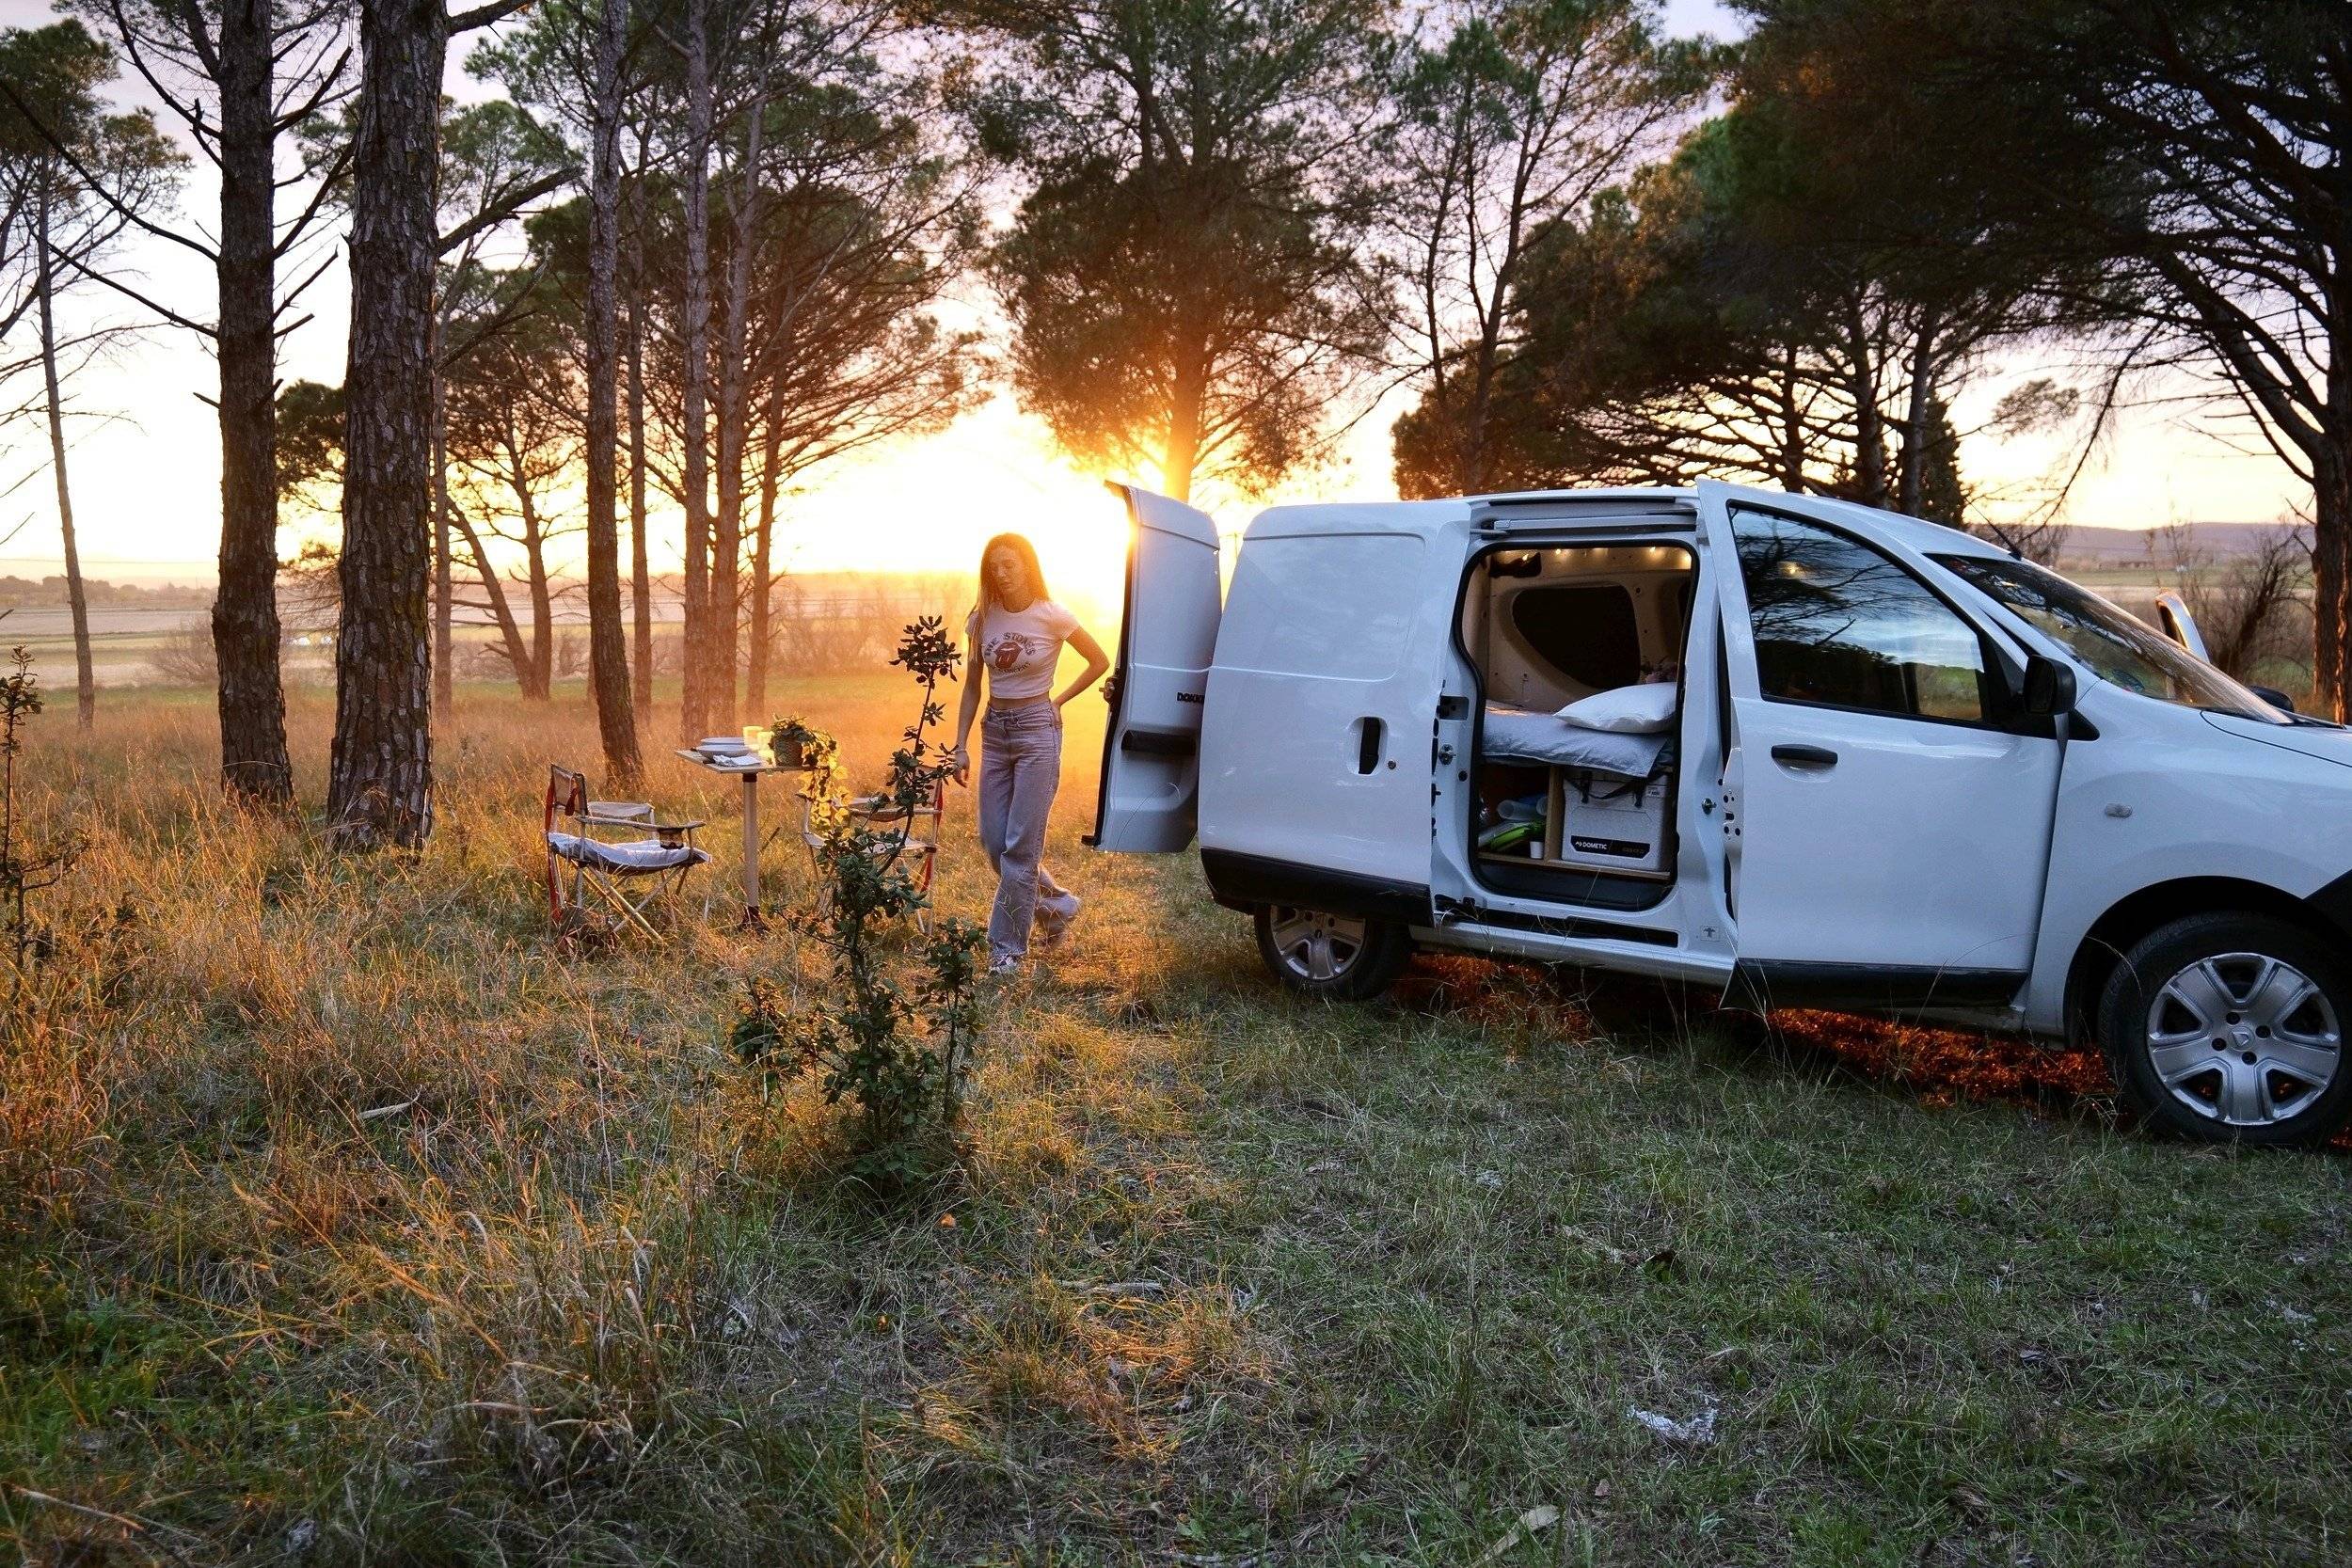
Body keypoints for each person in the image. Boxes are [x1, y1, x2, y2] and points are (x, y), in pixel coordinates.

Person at [947, 532, 1110, 975]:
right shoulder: (982, 619)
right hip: (995, 732)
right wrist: (960, 746)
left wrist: (1058, 701)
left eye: (1009, 565)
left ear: (1027, 566)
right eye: (994, 567)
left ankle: (1006, 951)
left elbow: (1099, 660)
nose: (1001, 574)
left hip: (1038, 730)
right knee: (993, 842)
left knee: (1019, 850)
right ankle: (1056, 902)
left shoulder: (1052, 615)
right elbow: (972, 686)